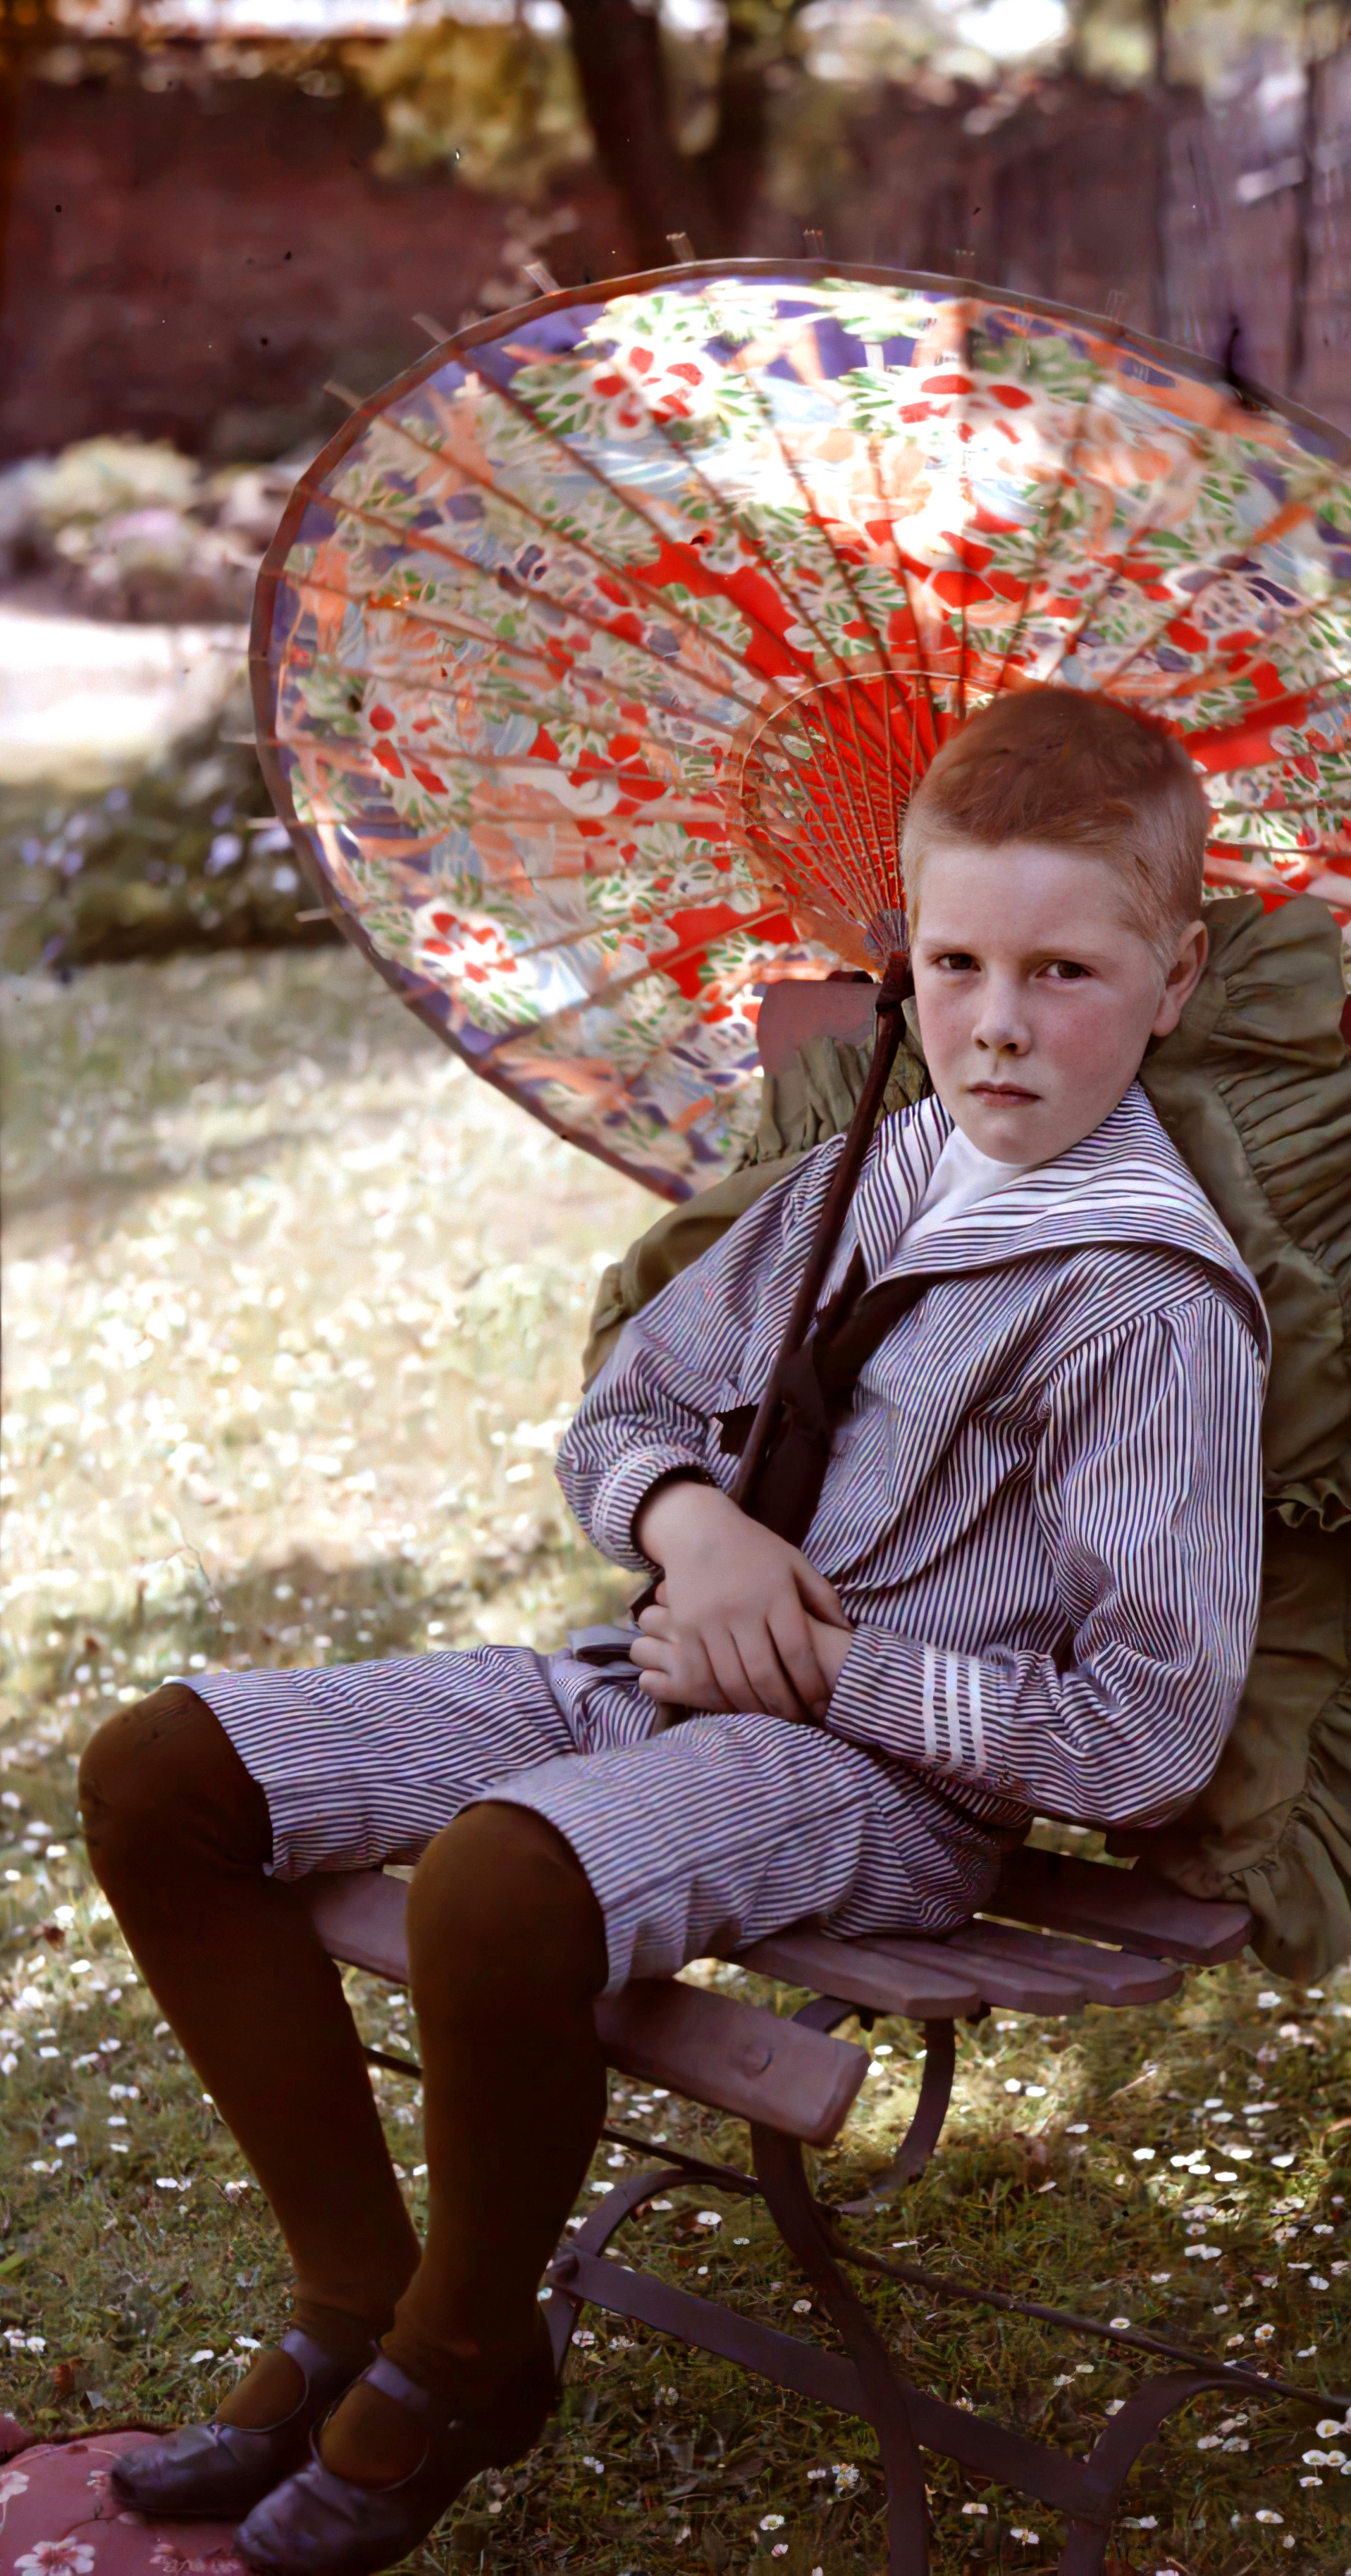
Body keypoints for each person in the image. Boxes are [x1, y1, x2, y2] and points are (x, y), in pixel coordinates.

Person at [76, 686, 1271, 2576]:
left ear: (1174, 971)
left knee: (494, 1882)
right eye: (953, 960)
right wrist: (692, 1526)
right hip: (641, 1679)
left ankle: (463, 2362)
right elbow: (622, 1414)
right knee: (162, 1775)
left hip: (877, 1779)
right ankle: (348, 2299)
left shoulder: (1145, 1308)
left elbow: (1146, 1733)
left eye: (1062, 970)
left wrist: (829, 1664)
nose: (997, 1021)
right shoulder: (864, 1173)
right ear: (902, 953)